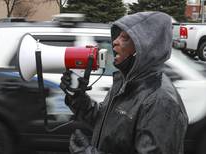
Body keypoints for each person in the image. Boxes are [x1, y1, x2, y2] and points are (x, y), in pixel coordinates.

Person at [60, 11, 189, 154]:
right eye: (118, 35)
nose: (115, 41)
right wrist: (76, 98)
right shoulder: (125, 80)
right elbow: (106, 122)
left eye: (125, 38)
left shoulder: (160, 101)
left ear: (144, 48)